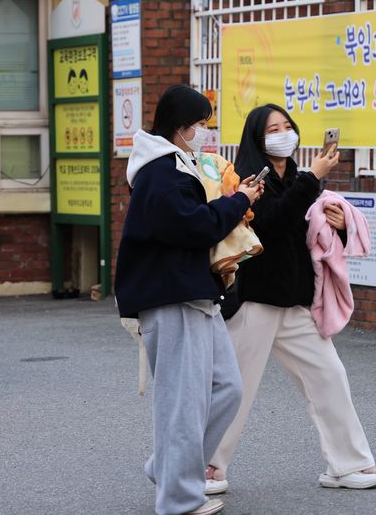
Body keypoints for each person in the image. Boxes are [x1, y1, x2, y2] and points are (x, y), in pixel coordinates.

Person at [206, 103, 376, 494]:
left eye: (288, 126)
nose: (284, 133)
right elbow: (270, 223)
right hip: (254, 302)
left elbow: (305, 233)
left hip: (297, 303)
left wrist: (336, 226)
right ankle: (207, 466)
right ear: (257, 136)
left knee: (329, 377)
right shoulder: (247, 180)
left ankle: (349, 464)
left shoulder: (300, 179)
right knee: (235, 388)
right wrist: (313, 180)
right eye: (274, 128)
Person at [114, 84, 263, 515]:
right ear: (180, 128)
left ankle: (169, 466)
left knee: (226, 388)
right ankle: (179, 499)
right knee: (182, 403)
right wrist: (239, 201)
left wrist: (238, 198)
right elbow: (194, 227)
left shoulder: (173, 165)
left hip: (193, 293)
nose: (204, 133)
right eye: (199, 125)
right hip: (171, 296)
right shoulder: (162, 174)